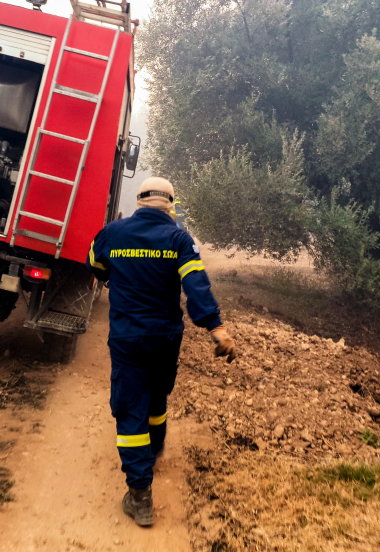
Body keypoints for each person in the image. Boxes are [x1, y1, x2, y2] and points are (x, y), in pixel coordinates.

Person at [86, 177, 237, 527]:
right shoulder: (179, 240)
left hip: (128, 339)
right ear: (171, 204)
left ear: (139, 201)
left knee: (130, 408)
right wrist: (217, 329)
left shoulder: (112, 233)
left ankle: (140, 496)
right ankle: (153, 450)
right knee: (156, 396)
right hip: (165, 338)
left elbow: (94, 266)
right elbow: (196, 286)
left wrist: (119, 272)